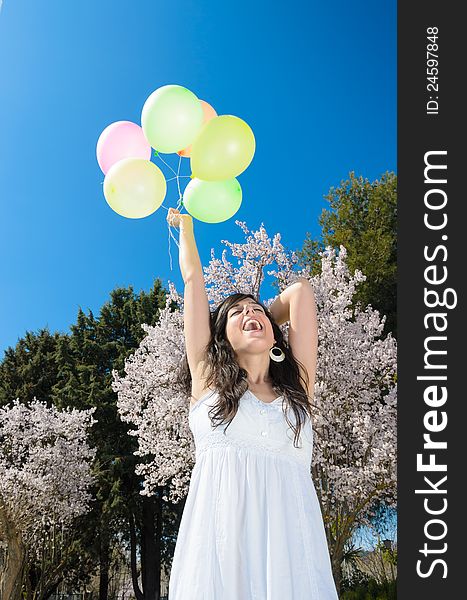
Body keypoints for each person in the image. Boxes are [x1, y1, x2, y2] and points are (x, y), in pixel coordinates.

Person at [167, 207, 339, 599]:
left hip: (292, 556)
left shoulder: (298, 391)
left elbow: (299, 294)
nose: (252, 313)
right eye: (238, 313)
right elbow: (193, 279)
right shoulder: (207, 379)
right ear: (220, 337)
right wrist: (188, 229)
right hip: (220, 554)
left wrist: (264, 315)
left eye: (257, 311)